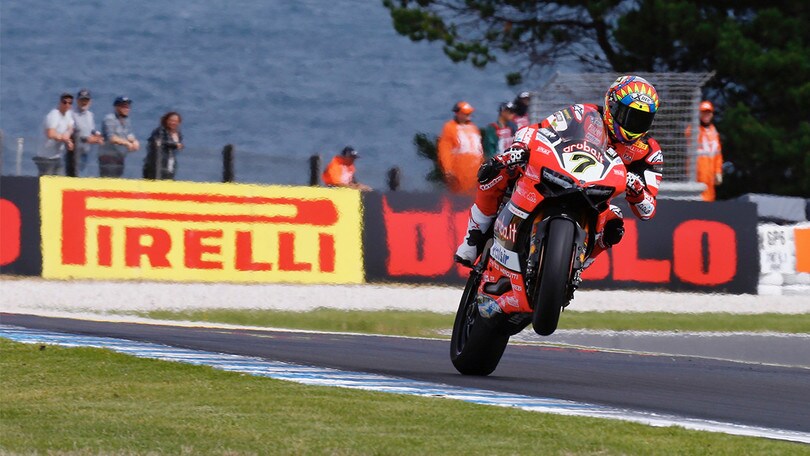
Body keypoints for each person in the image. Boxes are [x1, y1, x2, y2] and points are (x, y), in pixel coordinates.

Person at [454, 75, 663, 270]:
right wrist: (518, 149)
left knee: (615, 224)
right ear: (612, 106)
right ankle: (474, 236)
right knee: (500, 171)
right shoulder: (583, 114)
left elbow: (648, 209)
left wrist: (637, 191)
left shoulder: (649, 151)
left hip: (597, 199)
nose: (632, 124)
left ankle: (578, 267)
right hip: (558, 174)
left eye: (641, 119)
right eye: (628, 115)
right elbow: (537, 130)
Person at [437, 101, 484, 194]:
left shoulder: (473, 127)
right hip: (460, 170)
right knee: (461, 197)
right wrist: (448, 169)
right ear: (457, 113)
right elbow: (445, 150)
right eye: (465, 114)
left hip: (475, 171)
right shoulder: (449, 127)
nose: (468, 116)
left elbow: (479, 149)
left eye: (469, 114)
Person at [688, 100, 723, 201]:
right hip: (696, 174)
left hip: (710, 176)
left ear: (711, 114)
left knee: (709, 201)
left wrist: (718, 172)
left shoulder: (714, 132)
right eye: (703, 112)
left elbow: (717, 154)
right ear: (699, 114)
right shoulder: (693, 129)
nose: (706, 115)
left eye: (708, 112)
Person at [34, 93, 76, 176]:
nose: (67, 105)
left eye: (70, 103)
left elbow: (70, 128)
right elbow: (50, 133)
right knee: (46, 183)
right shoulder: (54, 115)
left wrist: (68, 139)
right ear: (60, 103)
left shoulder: (68, 114)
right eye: (64, 102)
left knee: (58, 182)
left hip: (57, 157)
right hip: (45, 158)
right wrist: (62, 138)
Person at [99, 96, 139, 177]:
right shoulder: (110, 119)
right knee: (108, 181)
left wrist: (134, 141)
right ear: (116, 107)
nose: (127, 109)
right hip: (108, 157)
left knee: (117, 180)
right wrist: (127, 143)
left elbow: (129, 134)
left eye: (128, 107)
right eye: (124, 107)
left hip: (119, 156)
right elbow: (111, 138)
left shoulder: (126, 120)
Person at [69, 88, 104, 176]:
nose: (84, 102)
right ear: (77, 101)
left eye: (86, 100)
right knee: (75, 177)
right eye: (82, 100)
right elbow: (72, 132)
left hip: (87, 152)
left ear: (90, 101)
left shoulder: (90, 115)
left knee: (87, 176)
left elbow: (91, 129)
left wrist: (97, 135)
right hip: (75, 154)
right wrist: (87, 139)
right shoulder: (71, 114)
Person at [143, 111, 184, 180]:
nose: (173, 123)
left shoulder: (178, 134)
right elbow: (158, 142)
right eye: (171, 120)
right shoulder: (160, 131)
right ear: (166, 120)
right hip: (157, 163)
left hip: (170, 163)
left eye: (176, 121)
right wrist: (174, 144)